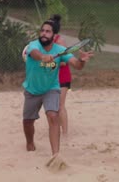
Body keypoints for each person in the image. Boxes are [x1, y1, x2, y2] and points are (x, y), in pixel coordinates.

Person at [22, 18, 94, 157]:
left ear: (54, 36)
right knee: (28, 121)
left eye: (48, 31)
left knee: (53, 116)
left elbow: (77, 66)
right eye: (42, 31)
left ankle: (56, 155)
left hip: (51, 89)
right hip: (32, 90)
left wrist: (82, 61)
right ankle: (30, 143)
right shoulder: (33, 45)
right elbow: (35, 54)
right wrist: (43, 56)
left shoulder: (60, 50)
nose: (44, 33)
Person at [50, 15, 70, 136]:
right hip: (51, 78)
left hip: (63, 76)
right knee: (52, 106)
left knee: (60, 105)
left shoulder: (59, 41)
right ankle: (56, 129)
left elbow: (64, 62)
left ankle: (65, 133)